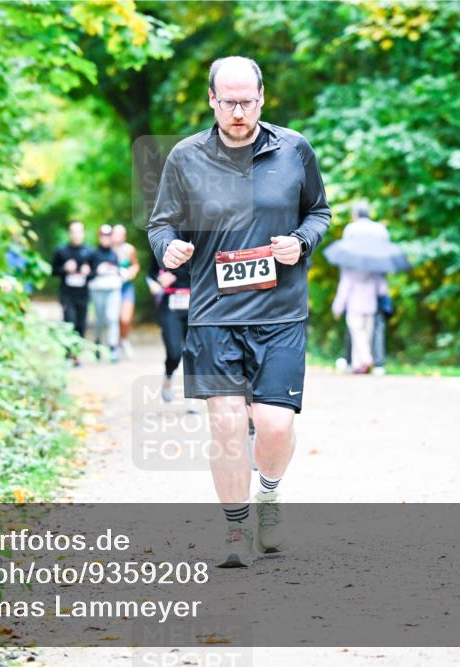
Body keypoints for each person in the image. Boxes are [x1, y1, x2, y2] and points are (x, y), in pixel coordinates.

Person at [147, 56, 331, 567]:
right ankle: (234, 531)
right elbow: (161, 224)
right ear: (211, 100)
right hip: (213, 315)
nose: (238, 112)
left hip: (281, 314)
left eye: (247, 102)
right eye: (228, 102)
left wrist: (301, 242)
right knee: (227, 425)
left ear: (262, 97)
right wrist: (169, 249)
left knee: (272, 425)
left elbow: (319, 211)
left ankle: (268, 496)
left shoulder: (294, 149)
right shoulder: (185, 157)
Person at [333, 201, 390, 374]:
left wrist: (338, 306)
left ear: (355, 214)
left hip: (354, 297)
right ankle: (376, 363)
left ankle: (360, 361)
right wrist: (384, 294)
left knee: (356, 330)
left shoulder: (350, 229)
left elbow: (345, 257)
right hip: (374, 285)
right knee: (372, 329)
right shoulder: (380, 229)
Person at [147, 254, 191, 403]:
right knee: (174, 353)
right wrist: (159, 279)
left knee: (193, 354)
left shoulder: (201, 241)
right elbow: (151, 273)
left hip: (195, 306)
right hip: (170, 306)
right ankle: (168, 376)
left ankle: (193, 398)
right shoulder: (164, 242)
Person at [51, 221, 92, 363]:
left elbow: (95, 274)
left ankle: (77, 353)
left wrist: (89, 272)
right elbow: (53, 271)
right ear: (69, 233)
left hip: (83, 294)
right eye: (73, 231)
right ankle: (68, 351)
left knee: (81, 324)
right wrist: (64, 268)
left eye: (79, 231)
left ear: (83, 233)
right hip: (67, 294)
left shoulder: (89, 251)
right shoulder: (61, 251)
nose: (76, 235)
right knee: (69, 321)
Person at [88, 224, 123, 363]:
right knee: (100, 319)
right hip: (98, 290)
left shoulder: (114, 254)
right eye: (103, 236)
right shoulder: (92, 254)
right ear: (99, 237)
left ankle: (113, 347)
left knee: (112, 318)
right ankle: (97, 344)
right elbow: (87, 275)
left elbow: (120, 272)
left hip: (113, 289)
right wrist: (97, 271)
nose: (106, 239)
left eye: (108, 236)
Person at [112, 224, 140, 359]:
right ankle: (114, 344)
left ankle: (124, 339)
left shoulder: (129, 249)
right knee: (113, 317)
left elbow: (135, 265)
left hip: (126, 287)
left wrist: (131, 273)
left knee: (125, 317)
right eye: (115, 234)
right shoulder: (108, 249)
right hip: (112, 287)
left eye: (120, 234)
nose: (117, 237)